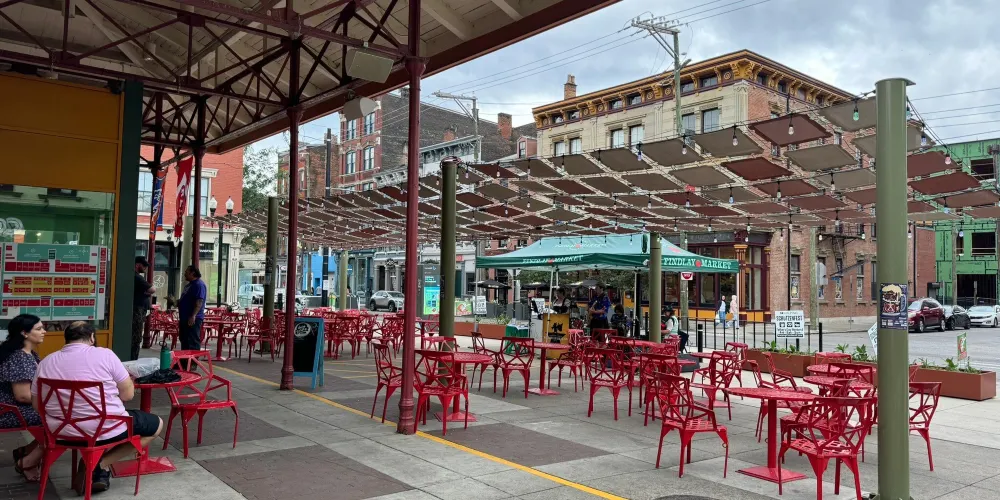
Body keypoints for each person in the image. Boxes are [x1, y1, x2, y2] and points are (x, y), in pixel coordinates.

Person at [32, 322, 164, 494]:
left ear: (66, 339)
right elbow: (128, 396)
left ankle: (95, 466)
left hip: (60, 432)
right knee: (156, 425)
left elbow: (37, 405)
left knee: (110, 420)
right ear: (92, 338)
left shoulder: (45, 362)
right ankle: (101, 465)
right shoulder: (105, 355)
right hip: (105, 429)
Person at [0, 315, 45, 481]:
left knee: (63, 419)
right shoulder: (19, 357)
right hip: (10, 411)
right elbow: (23, 396)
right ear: (24, 333)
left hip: (17, 408)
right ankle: (27, 462)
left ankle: (26, 451)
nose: (44, 332)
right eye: (39, 329)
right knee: (62, 421)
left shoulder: (29, 354)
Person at [178, 265, 207, 351]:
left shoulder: (199, 285)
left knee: (192, 340)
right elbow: (185, 300)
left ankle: (193, 359)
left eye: (186, 272)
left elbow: (199, 301)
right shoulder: (188, 285)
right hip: (184, 317)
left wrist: (193, 315)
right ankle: (185, 358)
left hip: (192, 318)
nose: (184, 274)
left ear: (192, 273)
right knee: (184, 340)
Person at [132, 256, 155, 360]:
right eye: (144, 265)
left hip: (138, 310)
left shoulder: (135, 277)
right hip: (137, 311)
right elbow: (152, 289)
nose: (146, 267)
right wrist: (147, 291)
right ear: (137, 265)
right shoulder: (137, 277)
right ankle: (133, 359)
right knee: (136, 338)